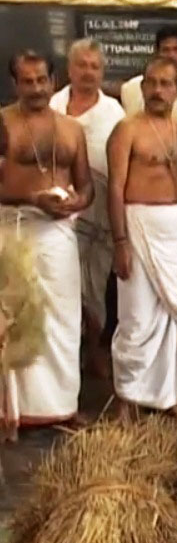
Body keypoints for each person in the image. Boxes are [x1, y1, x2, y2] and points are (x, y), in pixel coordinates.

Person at [0, 50, 93, 436]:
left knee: (64, 317)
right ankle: (14, 411)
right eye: (27, 81)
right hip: (16, 229)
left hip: (58, 235)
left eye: (42, 80)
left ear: (54, 81)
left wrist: (77, 202)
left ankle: (62, 406)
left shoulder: (71, 129)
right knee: (16, 319)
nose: (36, 88)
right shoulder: (3, 123)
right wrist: (31, 200)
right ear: (14, 84)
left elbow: (86, 184)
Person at [107, 57, 177, 422]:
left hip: (174, 229)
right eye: (152, 83)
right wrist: (120, 242)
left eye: (165, 84)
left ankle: (167, 394)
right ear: (142, 87)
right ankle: (127, 397)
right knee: (137, 317)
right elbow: (114, 187)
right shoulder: (127, 129)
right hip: (139, 225)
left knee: (170, 318)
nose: (158, 91)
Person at [49, 39, 125, 379]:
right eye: (82, 65)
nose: (88, 72)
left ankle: (94, 352)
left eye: (95, 67)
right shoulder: (53, 103)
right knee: (59, 288)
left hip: (97, 216)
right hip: (54, 213)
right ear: (70, 69)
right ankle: (61, 364)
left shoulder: (113, 113)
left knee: (93, 289)